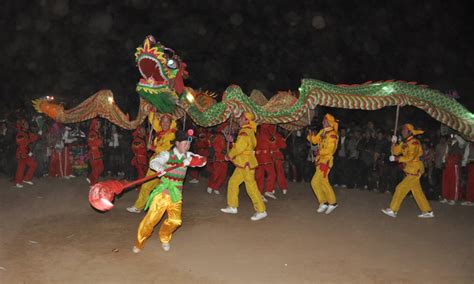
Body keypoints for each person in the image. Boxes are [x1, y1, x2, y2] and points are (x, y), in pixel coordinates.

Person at [133, 130, 207, 253]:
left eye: (189, 144)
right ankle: (139, 243)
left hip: (176, 194)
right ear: (177, 143)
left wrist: (192, 161)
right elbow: (153, 162)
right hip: (162, 194)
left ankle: (164, 237)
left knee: (176, 221)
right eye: (185, 144)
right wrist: (160, 168)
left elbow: (202, 160)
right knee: (150, 220)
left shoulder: (188, 155)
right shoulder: (166, 154)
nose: (187, 146)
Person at [220, 112, 267, 221]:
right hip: (243, 163)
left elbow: (239, 148)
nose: (239, 120)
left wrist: (229, 155)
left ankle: (261, 210)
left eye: (241, 118)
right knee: (233, 182)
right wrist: (232, 141)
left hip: (246, 164)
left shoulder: (245, 132)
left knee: (251, 187)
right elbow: (244, 145)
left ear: (246, 120)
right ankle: (232, 206)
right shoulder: (249, 131)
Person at [381, 124, 434, 218]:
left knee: (400, 188)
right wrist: (394, 143)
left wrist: (397, 159)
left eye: (404, 130)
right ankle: (427, 211)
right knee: (417, 192)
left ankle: (393, 210)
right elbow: (395, 152)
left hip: (415, 170)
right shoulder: (404, 142)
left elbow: (410, 157)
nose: (402, 131)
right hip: (410, 169)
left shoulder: (415, 143)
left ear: (409, 131)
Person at [127, 113, 176, 213]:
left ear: (171, 123)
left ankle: (169, 208)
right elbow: (153, 120)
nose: (165, 123)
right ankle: (139, 206)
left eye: (167, 121)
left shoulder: (172, 134)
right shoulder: (160, 132)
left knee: (166, 188)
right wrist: (151, 110)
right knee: (147, 186)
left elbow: (166, 149)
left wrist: (153, 148)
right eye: (163, 121)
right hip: (155, 164)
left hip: (165, 165)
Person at [307, 114, 339, 214]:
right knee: (322, 182)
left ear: (330, 122)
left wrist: (319, 152)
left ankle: (331, 203)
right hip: (319, 160)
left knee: (315, 182)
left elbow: (330, 150)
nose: (323, 123)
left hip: (326, 161)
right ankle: (325, 202)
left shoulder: (333, 135)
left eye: (325, 121)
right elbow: (314, 140)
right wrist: (310, 132)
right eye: (323, 121)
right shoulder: (323, 131)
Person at [440, 134, 466, 205]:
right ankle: (445, 197)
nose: (451, 136)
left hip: (454, 164)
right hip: (447, 163)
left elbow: (463, 143)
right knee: (445, 181)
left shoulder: (460, 142)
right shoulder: (449, 142)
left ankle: (452, 198)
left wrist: (457, 135)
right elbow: (446, 152)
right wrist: (443, 161)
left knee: (453, 181)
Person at [14, 118, 40, 188]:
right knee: (21, 168)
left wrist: (39, 134)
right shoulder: (20, 134)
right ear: (22, 125)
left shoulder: (27, 132)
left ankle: (27, 178)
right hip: (21, 154)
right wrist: (26, 153)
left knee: (33, 165)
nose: (27, 125)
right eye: (25, 124)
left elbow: (34, 138)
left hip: (26, 153)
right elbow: (21, 144)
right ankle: (18, 182)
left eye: (27, 124)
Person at [206, 123, 230, 194]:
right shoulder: (219, 136)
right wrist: (225, 151)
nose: (228, 128)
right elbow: (217, 147)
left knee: (223, 175)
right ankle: (210, 186)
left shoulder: (225, 136)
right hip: (218, 158)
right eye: (227, 127)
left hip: (224, 159)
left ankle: (216, 187)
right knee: (216, 173)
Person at [255, 124, 277, 200]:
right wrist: (273, 142)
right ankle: (265, 191)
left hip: (260, 158)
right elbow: (270, 146)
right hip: (265, 158)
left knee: (260, 176)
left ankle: (263, 192)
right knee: (270, 174)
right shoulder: (266, 133)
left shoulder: (260, 132)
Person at [271, 126, 288, 195]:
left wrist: (282, 142)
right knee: (275, 172)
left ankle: (282, 187)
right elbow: (283, 145)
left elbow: (283, 146)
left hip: (274, 156)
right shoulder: (277, 135)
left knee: (276, 172)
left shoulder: (276, 135)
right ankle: (273, 188)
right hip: (271, 156)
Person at [86, 118, 104, 185]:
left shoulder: (97, 132)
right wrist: (100, 142)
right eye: (98, 124)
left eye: (99, 124)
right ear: (94, 124)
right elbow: (91, 142)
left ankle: (91, 178)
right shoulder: (92, 132)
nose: (99, 125)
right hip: (94, 153)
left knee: (101, 168)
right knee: (96, 169)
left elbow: (100, 143)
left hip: (98, 153)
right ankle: (93, 184)